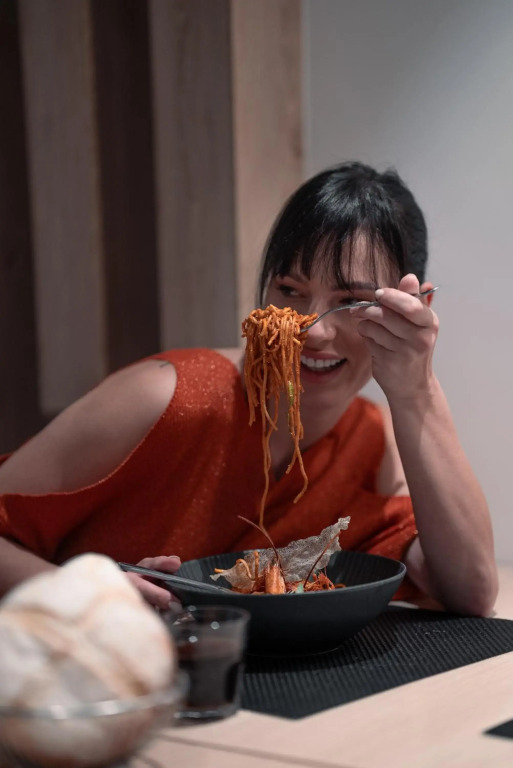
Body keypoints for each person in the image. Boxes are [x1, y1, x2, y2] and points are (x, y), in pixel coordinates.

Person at [0, 162, 498, 615]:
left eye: (349, 300)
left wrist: (417, 390)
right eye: (290, 290)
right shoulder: (167, 398)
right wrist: (85, 596)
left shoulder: (372, 441)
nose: (311, 329)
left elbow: (471, 589)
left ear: (412, 309)